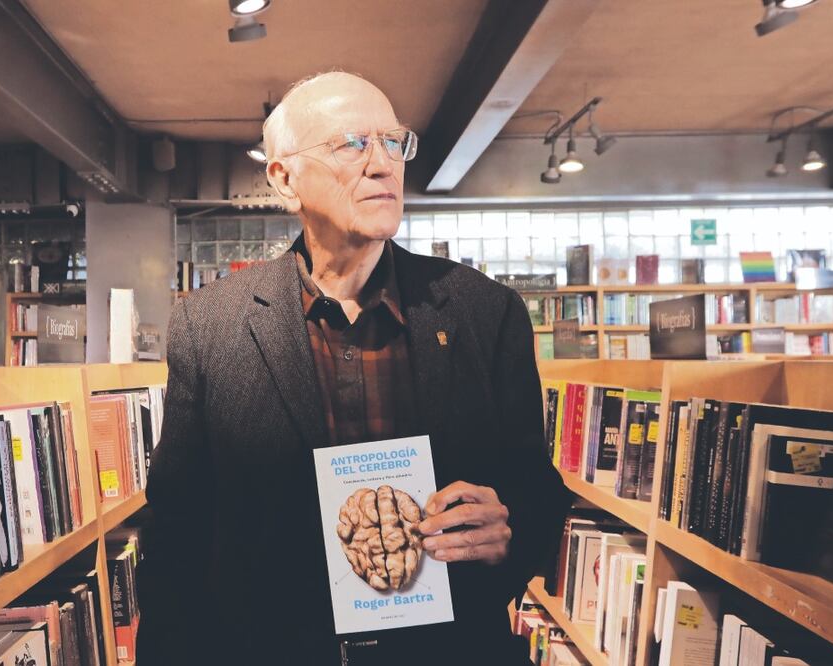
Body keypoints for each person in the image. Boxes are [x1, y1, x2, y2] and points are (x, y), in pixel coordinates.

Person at [137, 71, 571, 665]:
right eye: (351, 144)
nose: (382, 164)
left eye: (393, 143)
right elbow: (177, 537)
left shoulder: (485, 312)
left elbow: (537, 491)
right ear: (284, 179)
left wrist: (508, 527)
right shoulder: (211, 326)